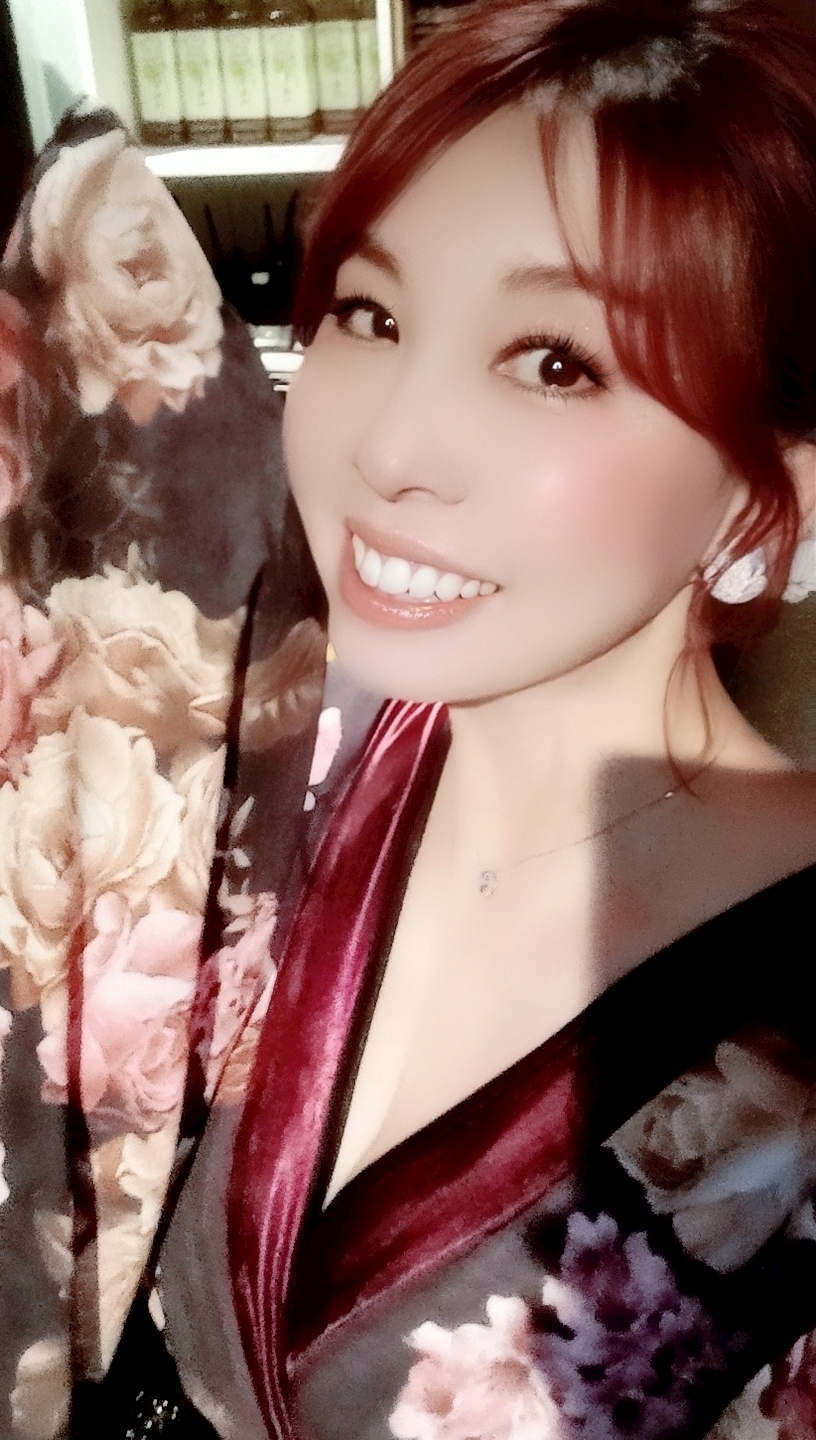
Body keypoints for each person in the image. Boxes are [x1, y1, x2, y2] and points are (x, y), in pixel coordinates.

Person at [0, 1, 814, 1438]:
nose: (386, 447)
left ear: (764, 496)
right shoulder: (253, 755)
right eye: (370, 315)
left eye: (555, 361)